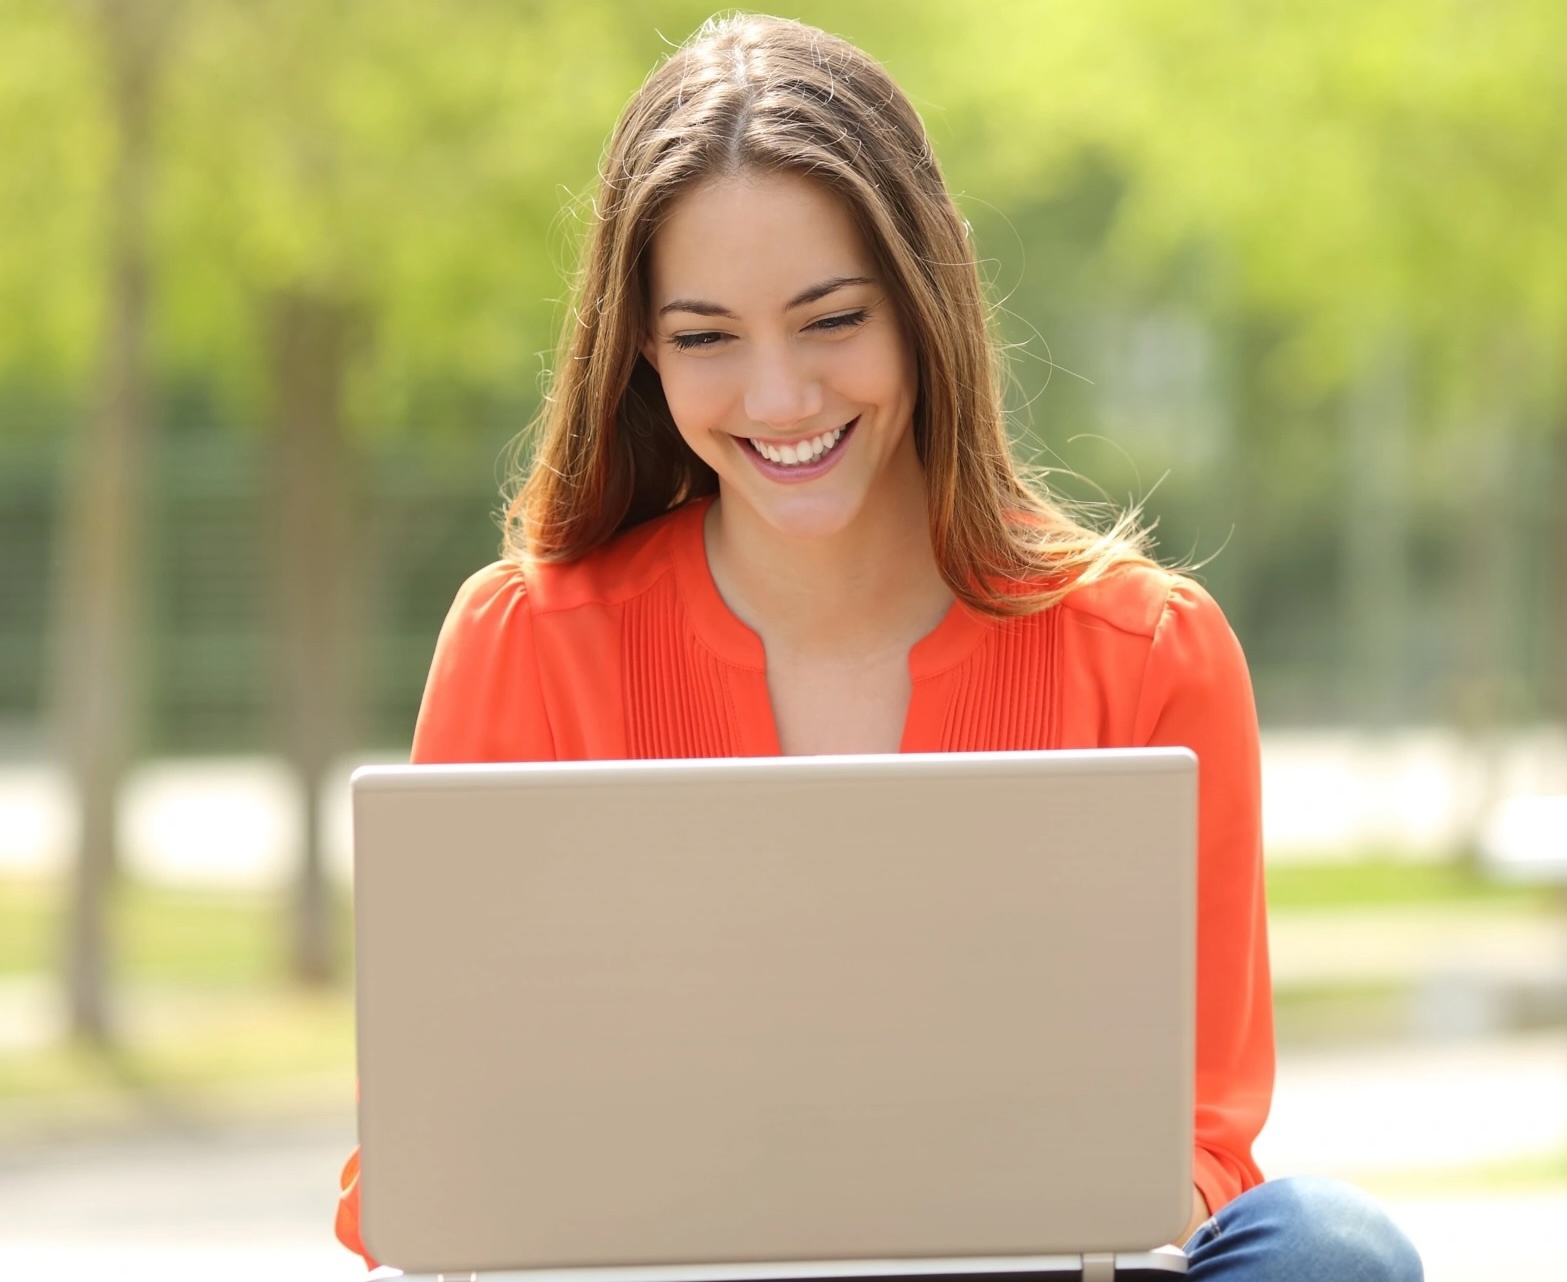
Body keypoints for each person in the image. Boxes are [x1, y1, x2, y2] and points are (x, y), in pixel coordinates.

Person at [336, 13, 1423, 1280]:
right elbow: (420, 1162)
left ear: (922, 296)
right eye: (705, 337)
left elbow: (1199, 1135)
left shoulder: (1147, 651)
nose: (780, 397)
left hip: (1021, 1267)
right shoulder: (525, 643)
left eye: (832, 319)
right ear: (641, 349)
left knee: (1329, 1248)